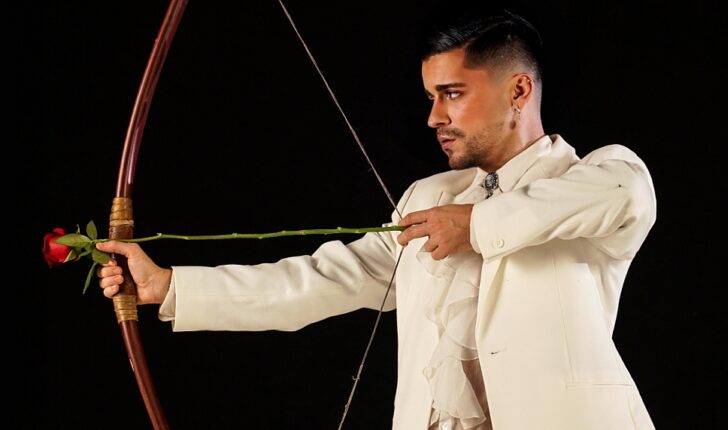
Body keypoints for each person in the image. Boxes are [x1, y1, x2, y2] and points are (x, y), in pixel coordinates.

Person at [97, 9, 657, 430]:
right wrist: (169, 286)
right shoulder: (429, 197)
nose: (434, 116)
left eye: (452, 94)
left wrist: (475, 225)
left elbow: (624, 193)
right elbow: (323, 279)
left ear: (518, 90)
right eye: (431, 96)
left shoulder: (599, 175)